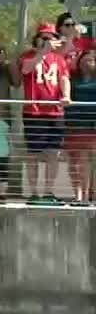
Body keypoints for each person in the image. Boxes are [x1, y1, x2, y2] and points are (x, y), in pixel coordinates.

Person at [15, 22, 72, 204]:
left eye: (51, 37)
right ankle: (34, 193)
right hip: (34, 112)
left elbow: (64, 78)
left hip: (55, 113)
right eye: (44, 37)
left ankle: (49, 192)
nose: (47, 40)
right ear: (37, 39)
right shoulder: (27, 56)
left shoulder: (60, 59)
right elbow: (26, 69)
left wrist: (66, 95)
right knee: (33, 153)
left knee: (52, 153)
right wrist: (43, 52)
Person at [64, 49, 96, 204]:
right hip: (74, 123)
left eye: (91, 60)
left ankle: (90, 195)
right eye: (84, 59)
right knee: (76, 161)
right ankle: (78, 195)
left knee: (89, 162)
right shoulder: (73, 78)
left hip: (93, 125)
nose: (87, 62)